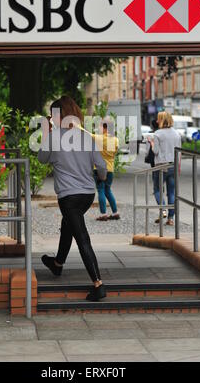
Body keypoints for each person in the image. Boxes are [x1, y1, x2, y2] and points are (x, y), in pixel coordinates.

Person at [37, 96, 108, 302]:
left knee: (82, 237)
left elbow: (42, 159)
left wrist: (46, 134)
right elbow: (101, 167)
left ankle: (98, 284)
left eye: (53, 115)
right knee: (68, 224)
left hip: (68, 196)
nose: (51, 119)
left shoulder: (54, 137)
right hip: (87, 195)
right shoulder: (86, 137)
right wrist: (101, 178)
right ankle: (57, 264)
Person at [149, 112, 181, 226]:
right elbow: (179, 152)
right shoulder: (177, 134)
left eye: (158, 119)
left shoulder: (158, 134)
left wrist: (151, 143)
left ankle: (163, 211)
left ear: (161, 120)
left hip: (161, 165)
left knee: (157, 189)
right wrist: (179, 167)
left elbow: (155, 151)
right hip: (173, 165)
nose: (157, 121)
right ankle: (171, 218)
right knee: (171, 192)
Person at [93, 116, 120, 221]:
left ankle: (103, 213)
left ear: (104, 127)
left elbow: (85, 133)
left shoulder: (99, 138)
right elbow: (115, 152)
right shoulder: (116, 140)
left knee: (100, 190)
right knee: (108, 190)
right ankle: (115, 212)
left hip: (99, 169)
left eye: (100, 126)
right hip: (110, 169)